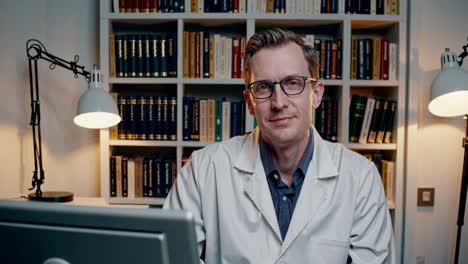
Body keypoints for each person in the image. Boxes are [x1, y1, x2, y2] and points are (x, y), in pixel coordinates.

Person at [163, 28, 395, 263]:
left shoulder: (361, 177)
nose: (279, 102)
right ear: (250, 103)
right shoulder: (203, 169)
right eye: (263, 87)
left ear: (315, 93)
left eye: (292, 83)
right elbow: (170, 257)